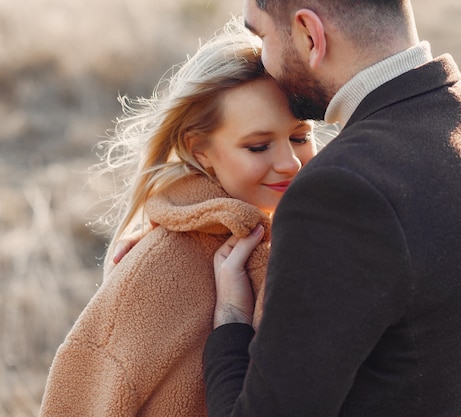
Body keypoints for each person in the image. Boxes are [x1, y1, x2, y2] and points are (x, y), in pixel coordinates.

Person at [201, 1, 461, 417]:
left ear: (310, 33)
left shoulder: (341, 188)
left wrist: (230, 319)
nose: (263, 62)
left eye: (262, 36)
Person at [39, 18, 317, 417]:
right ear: (200, 151)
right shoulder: (158, 268)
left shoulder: (321, 236)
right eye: (258, 146)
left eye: (300, 137)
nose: (290, 162)